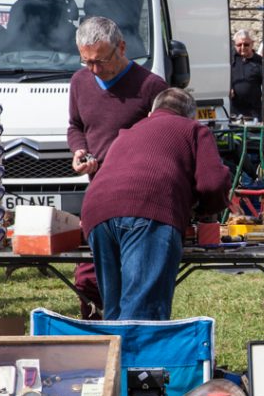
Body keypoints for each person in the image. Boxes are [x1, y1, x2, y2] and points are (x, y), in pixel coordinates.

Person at [80, 88, 231, 320]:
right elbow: (213, 183)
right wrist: (205, 211)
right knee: (142, 311)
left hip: (96, 211)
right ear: (191, 116)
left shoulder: (127, 133)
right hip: (148, 209)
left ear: (151, 112)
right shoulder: (194, 129)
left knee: (115, 307)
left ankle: (117, 354)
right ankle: (140, 355)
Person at [68, 15, 169, 319]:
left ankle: (134, 340)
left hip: (139, 199)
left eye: (100, 61)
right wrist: (79, 151)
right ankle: (100, 333)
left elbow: (163, 138)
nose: (94, 70)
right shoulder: (79, 82)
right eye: (86, 62)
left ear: (122, 47)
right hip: (99, 193)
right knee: (92, 277)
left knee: (135, 280)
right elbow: (75, 126)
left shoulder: (151, 86)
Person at [230, 29, 264, 125]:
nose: (243, 47)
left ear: (252, 44)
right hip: (233, 113)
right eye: (239, 45)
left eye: (246, 44)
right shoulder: (230, 59)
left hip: (254, 114)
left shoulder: (260, 62)